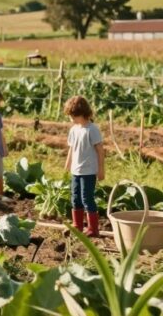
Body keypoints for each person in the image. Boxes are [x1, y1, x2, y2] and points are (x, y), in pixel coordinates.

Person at [64, 95, 105, 237]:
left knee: (87, 198)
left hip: (88, 171)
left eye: (73, 116)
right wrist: (67, 164)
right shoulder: (74, 129)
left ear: (82, 114)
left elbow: (100, 150)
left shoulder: (92, 129)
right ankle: (77, 226)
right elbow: (71, 148)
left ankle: (93, 229)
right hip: (76, 170)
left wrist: (101, 170)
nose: (71, 119)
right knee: (75, 198)